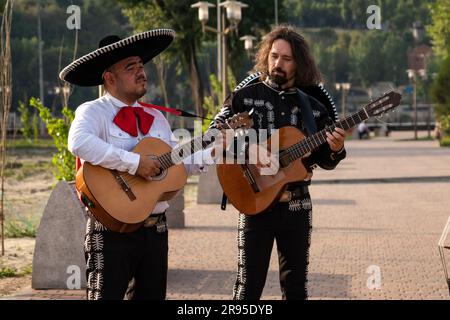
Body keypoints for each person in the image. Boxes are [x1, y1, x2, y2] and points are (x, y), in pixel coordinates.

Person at [61, 29, 212, 300]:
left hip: (155, 229)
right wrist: (135, 163)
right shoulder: (93, 111)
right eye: (130, 67)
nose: (141, 72)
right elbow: (79, 143)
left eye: (141, 66)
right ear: (109, 78)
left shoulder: (157, 118)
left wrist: (210, 150)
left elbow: (171, 168)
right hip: (110, 230)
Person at [210, 25, 347, 300]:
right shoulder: (246, 95)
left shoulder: (315, 107)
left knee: (296, 289)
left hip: (296, 204)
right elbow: (215, 134)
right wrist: (251, 153)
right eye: (274, 56)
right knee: (247, 289)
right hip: (254, 201)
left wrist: (337, 148)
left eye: (286, 58)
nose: (277, 64)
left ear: (299, 63)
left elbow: (326, 161)